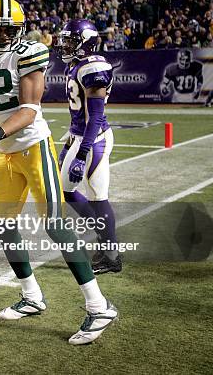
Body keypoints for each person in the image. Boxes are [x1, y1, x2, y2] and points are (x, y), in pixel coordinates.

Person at [0, 0, 118, 345]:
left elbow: (29, 111)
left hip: (34, 148)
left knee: (56, 225)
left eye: (11, 28)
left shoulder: (29, 52)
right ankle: (32, 295)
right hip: (5, 154)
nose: (5, 34)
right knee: (5, 229)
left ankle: (99, 306)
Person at [56, 19, 122, 274]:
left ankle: (111, 254)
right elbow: (79, 115)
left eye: (71, 40)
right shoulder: (77, 65)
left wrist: (82, 153)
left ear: (86, 42)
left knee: (96, 195)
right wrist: (68, 143)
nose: (65, 45)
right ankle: (106, 240)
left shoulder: (93, 67)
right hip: (81, 135)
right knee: (69, 190)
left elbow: (94, 117)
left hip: (93, 139)